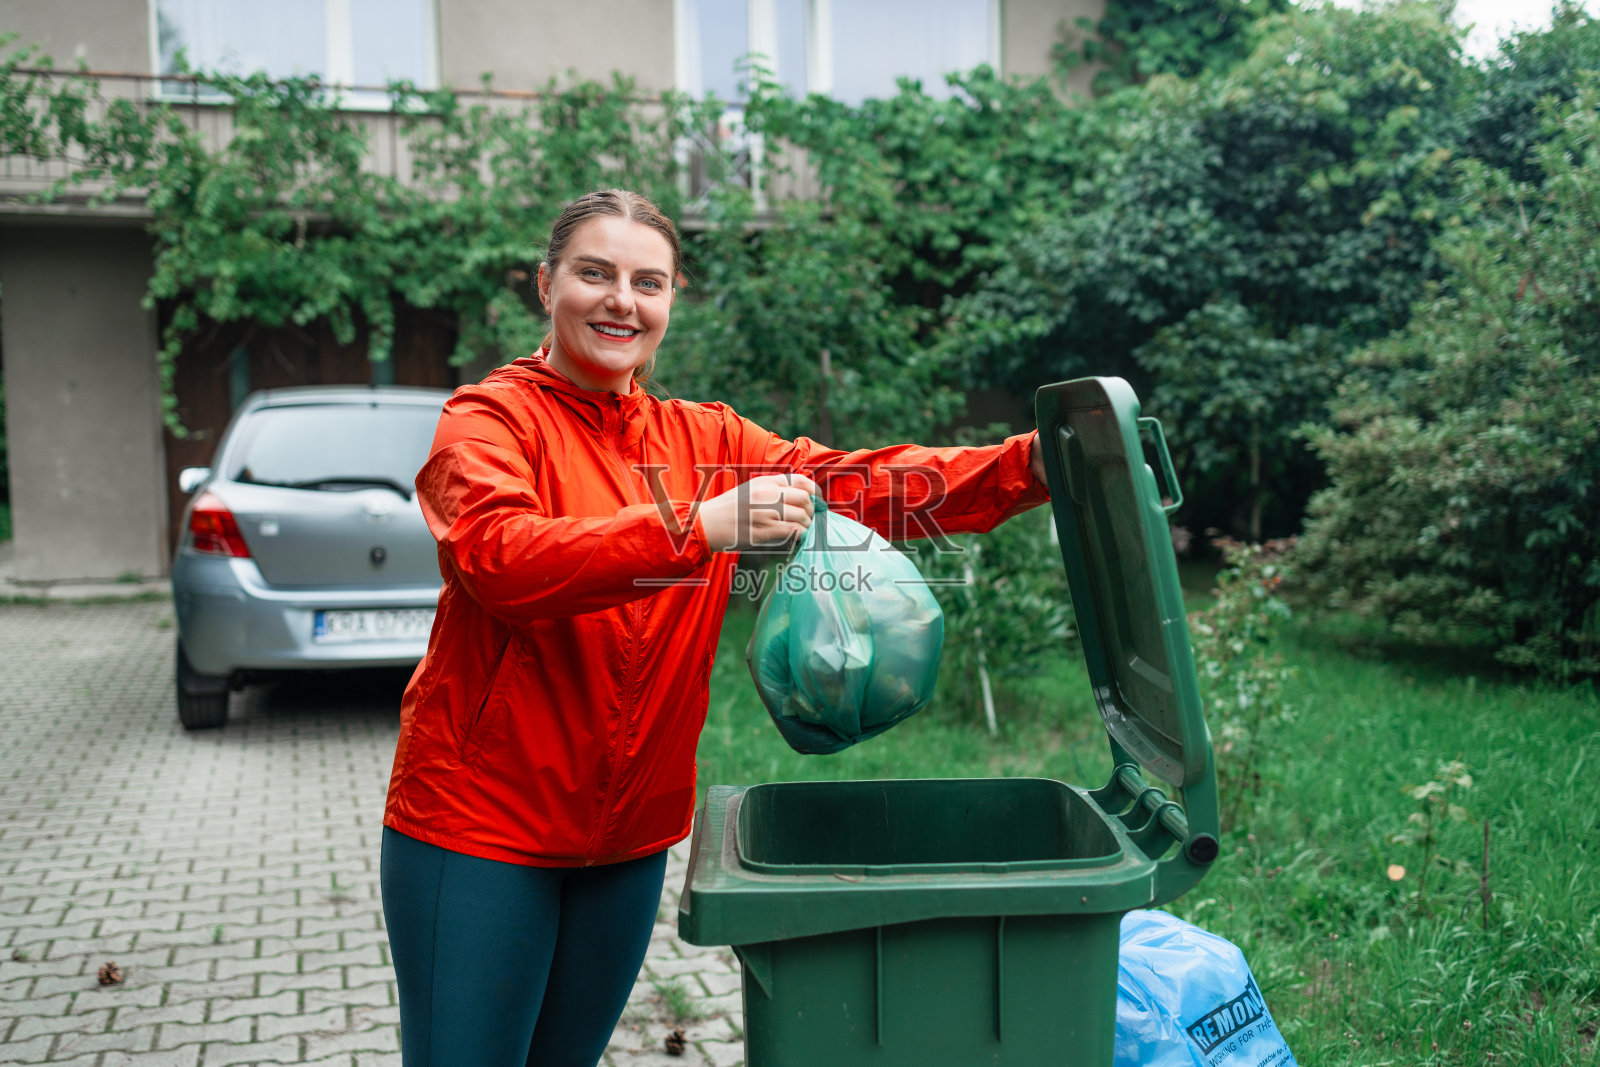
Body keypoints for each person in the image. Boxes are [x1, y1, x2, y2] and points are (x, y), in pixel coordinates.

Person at [380, 188, 1051, 1066]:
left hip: (629, 835)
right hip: (481, 830)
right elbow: (504, 558)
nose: (622, 299)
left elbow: (859, 481)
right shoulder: (490, 420)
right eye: (595, 273)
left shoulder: (704, 437)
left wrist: (1033, 466)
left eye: (647, 282)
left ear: (669, 302)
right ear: (546, 285)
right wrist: (704, 524)